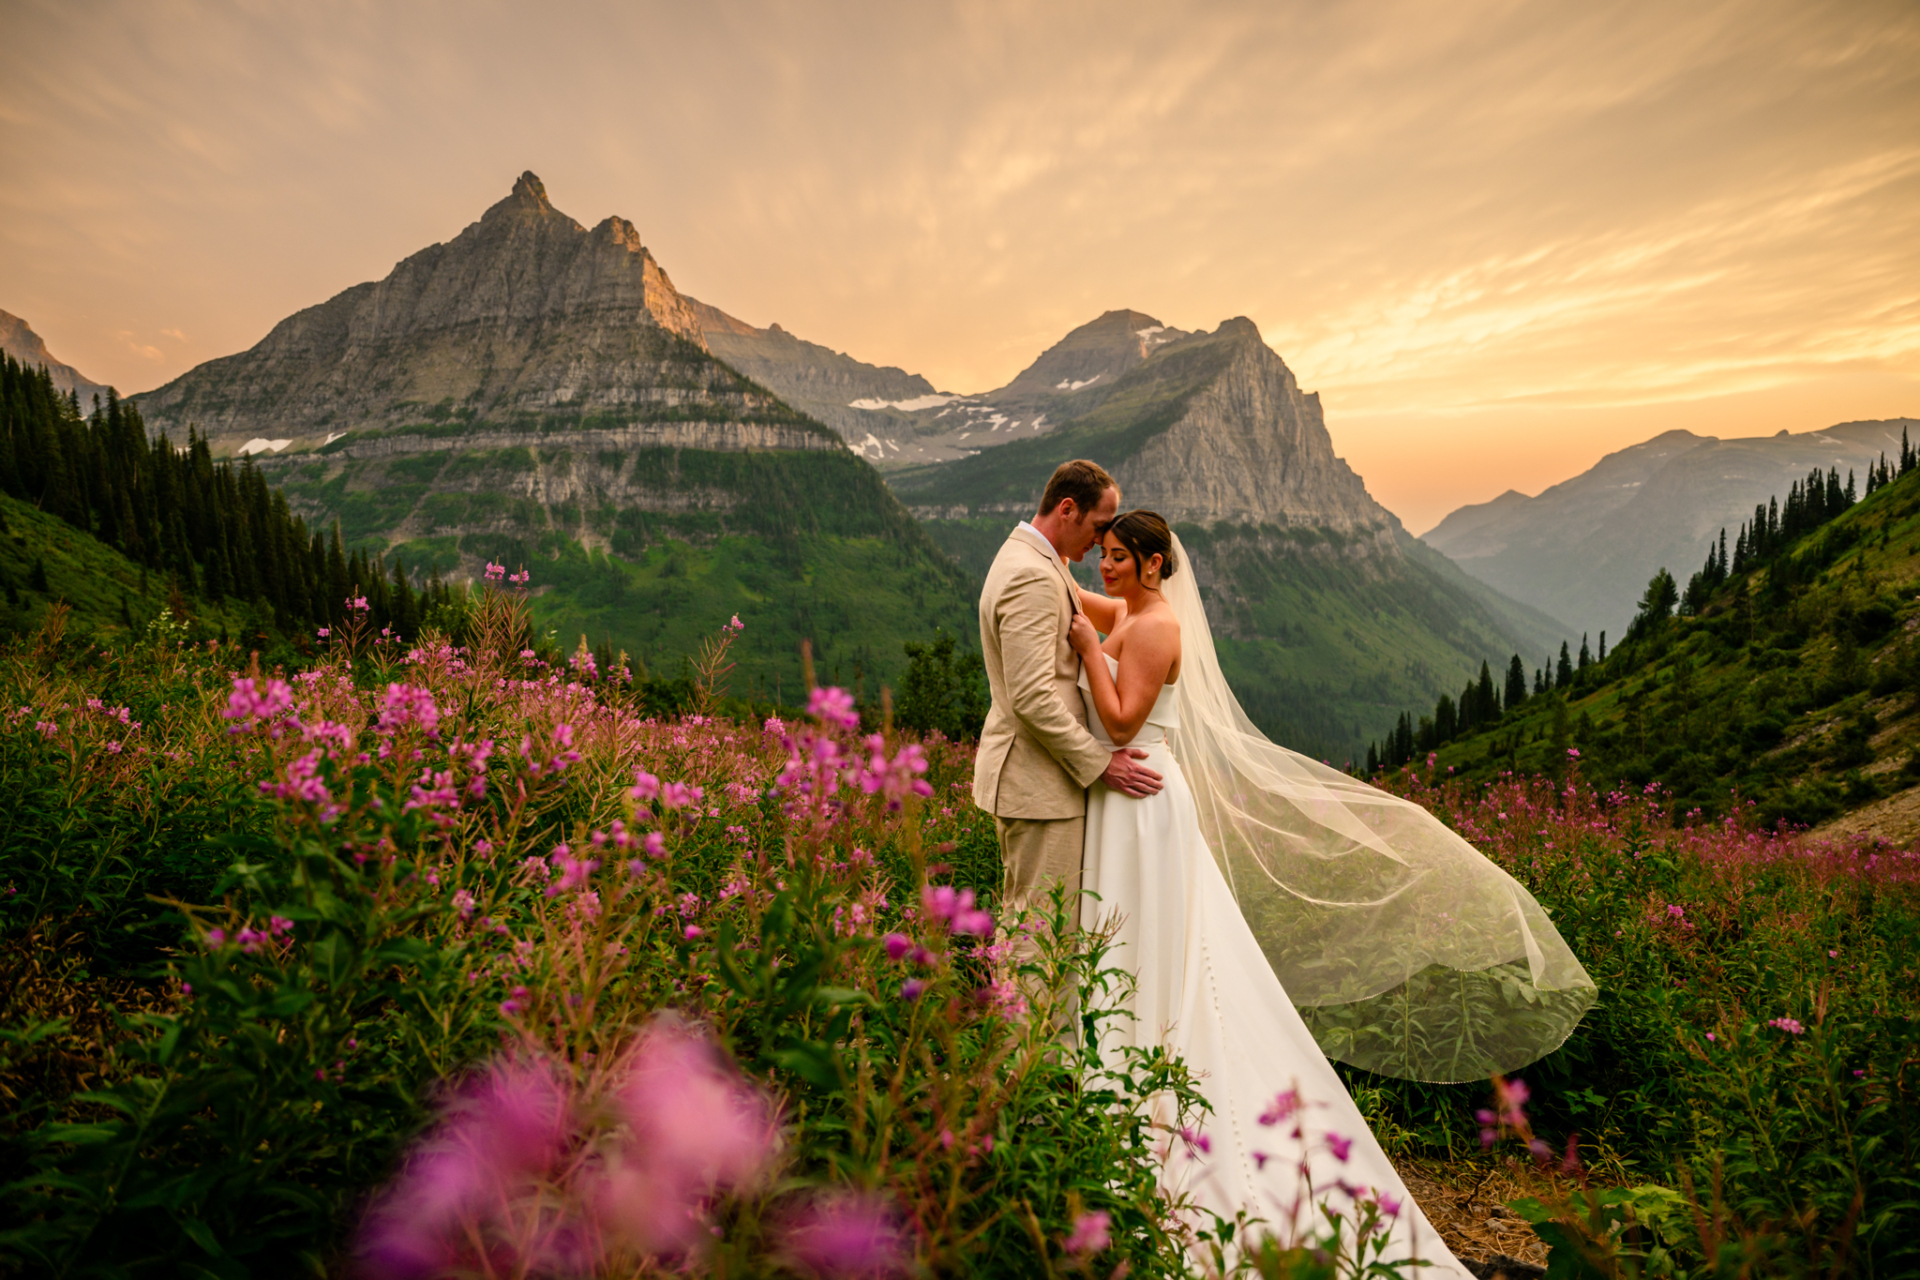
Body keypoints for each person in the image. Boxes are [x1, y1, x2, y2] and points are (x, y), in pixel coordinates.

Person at [1066, 508, 1594, 1270]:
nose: (1104, 566)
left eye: (1118, 556)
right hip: (1126, 803)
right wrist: (1045, 566)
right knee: (1133, 943)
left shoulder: (1152, 629)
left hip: (1142, 799)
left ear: (1152, 565)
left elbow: (1119, 725)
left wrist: (1087, 649)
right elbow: (1081, 600)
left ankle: (1156, 1104)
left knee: (1153, 948)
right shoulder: (1130, 612)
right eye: (1103, 553)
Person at [972, 460, 1163, 967]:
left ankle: (1021, 1019)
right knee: (1041, 938)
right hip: (1039, 786)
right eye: (1099, 527)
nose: (1102, 541)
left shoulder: (1036, 559)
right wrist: (1101, 763)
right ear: (1067, 509)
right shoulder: (1032, 576)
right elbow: (1032, 696)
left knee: (1030, 924)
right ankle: (1027, 1024)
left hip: (1041, 783)